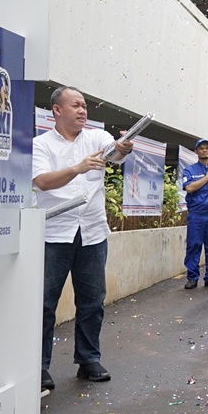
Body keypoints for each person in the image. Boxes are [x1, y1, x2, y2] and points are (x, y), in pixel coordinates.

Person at [33, 85, 132, 394]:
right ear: (57, 110)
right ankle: (38, 367)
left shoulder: (96, 138)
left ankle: (88, 359)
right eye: (75, 105)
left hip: (91, 232)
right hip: (54, 233)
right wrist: (77, 168)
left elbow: (114, 152)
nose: (82, 110)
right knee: (44, 304)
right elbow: (43, 182)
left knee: (92, 301)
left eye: (85, 105)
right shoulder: (40, 145)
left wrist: (123, 148)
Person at [180, 138, 208, 290]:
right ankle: (192, 278)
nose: (204, 150)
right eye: (201, 148)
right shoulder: (190, 170)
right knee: (194, 246)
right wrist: (207, 178)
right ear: (196, 152)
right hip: (197, 214)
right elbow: (190, 188)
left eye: (207, 148)